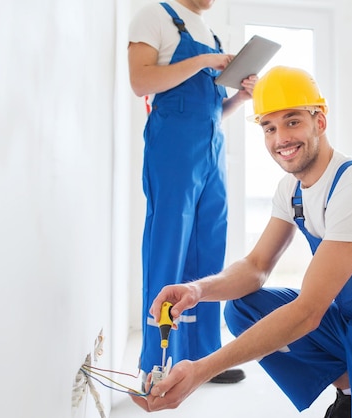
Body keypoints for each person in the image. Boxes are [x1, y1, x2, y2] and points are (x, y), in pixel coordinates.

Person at [131, 66, 352, 417]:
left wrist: (201, 370)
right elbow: (255, 268)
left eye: (292, 121)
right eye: (269, 127)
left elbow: (308, 312)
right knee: (242, 306)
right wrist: (197, 290)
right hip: (348, 320)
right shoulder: (291, 190)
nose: (280, 138)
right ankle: (349, 388)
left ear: (320, 122)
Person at [128, 0, 256, 384]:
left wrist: (240, 98)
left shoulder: (208, 30)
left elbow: (214, 111)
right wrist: (205, 62)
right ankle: (156, 362)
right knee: (168, 248)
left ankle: (203, 358)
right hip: (174, 145)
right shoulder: (155, 16)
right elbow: (141, 82)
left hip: (211, 147)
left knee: (208, 250)